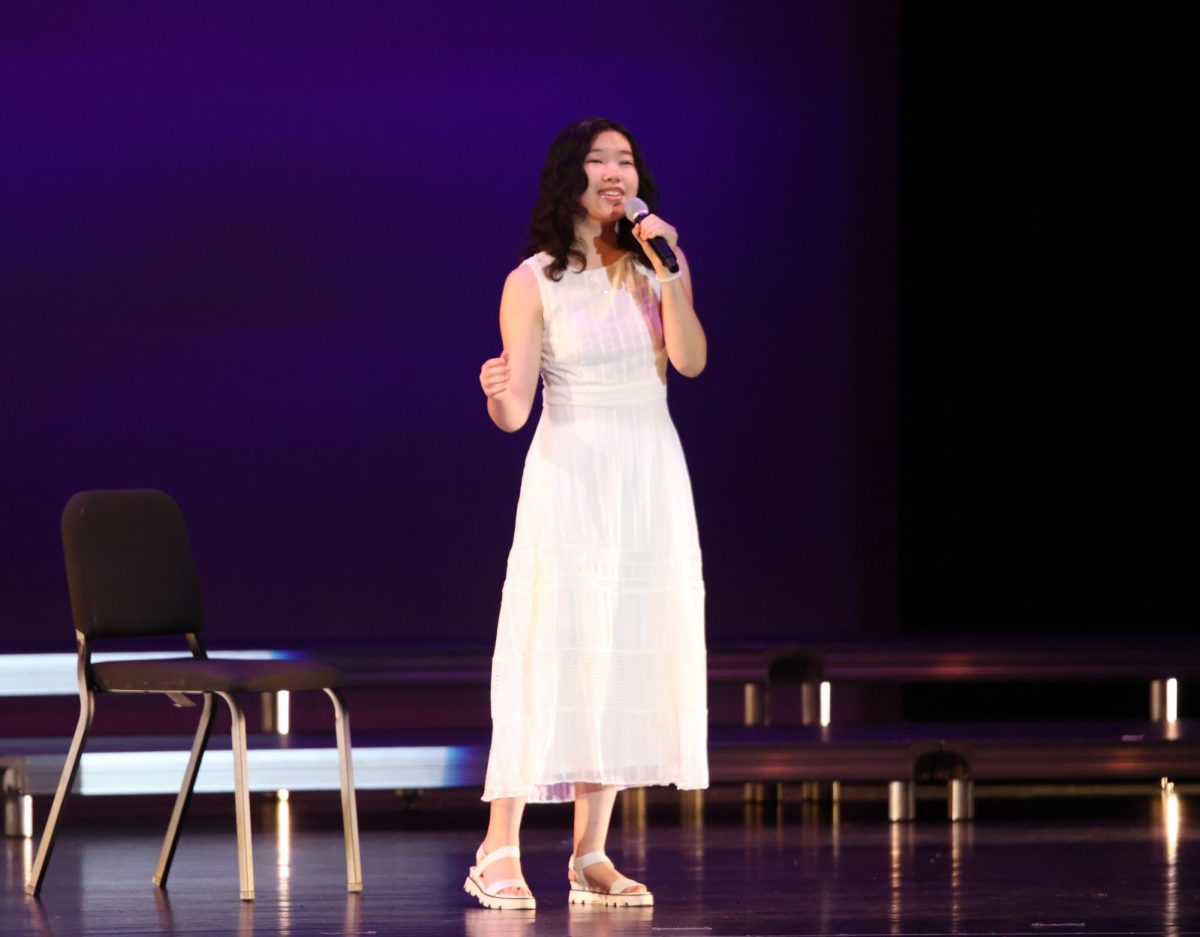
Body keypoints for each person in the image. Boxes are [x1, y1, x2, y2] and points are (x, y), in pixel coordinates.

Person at [466, 117, 708, 911]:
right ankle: (498, 846)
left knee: (621, 649)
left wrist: (668, 271)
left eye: (627, 160)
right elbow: (516, 413)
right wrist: (500, 393)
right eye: (599, 160)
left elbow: (690, 360)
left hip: (647, 470)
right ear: (570, 177)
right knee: (552, 645)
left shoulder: (657, 266)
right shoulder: (530, 280)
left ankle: (589, 851)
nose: (615, 171)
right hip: (572, 471)